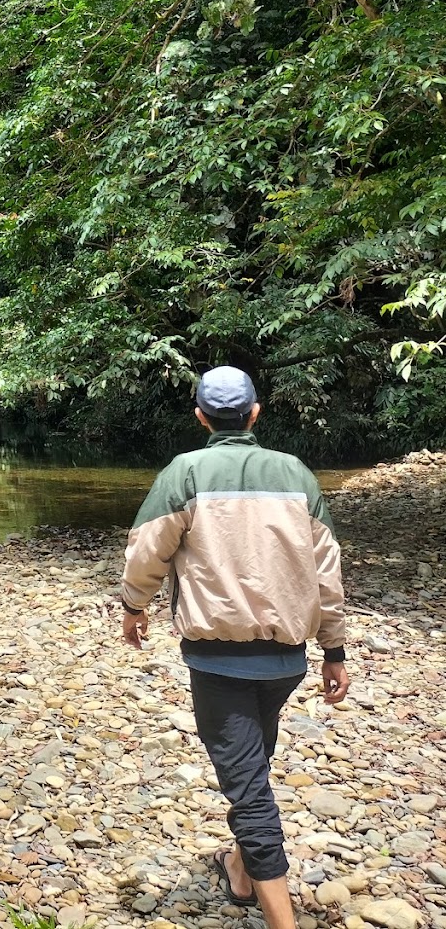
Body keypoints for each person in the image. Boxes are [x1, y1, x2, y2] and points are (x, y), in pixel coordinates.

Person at [120, 366, 349, 929]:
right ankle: (241, 872)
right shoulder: (295, 474)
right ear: (255, 413)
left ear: (200, 417)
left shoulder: (185, 472)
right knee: (253, 763)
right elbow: (327, 569)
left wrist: (134, 604)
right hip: (286, 661)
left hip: (218, 661)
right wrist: (334, 650)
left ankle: (280, 919)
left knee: (248, 792)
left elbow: (149, 550)